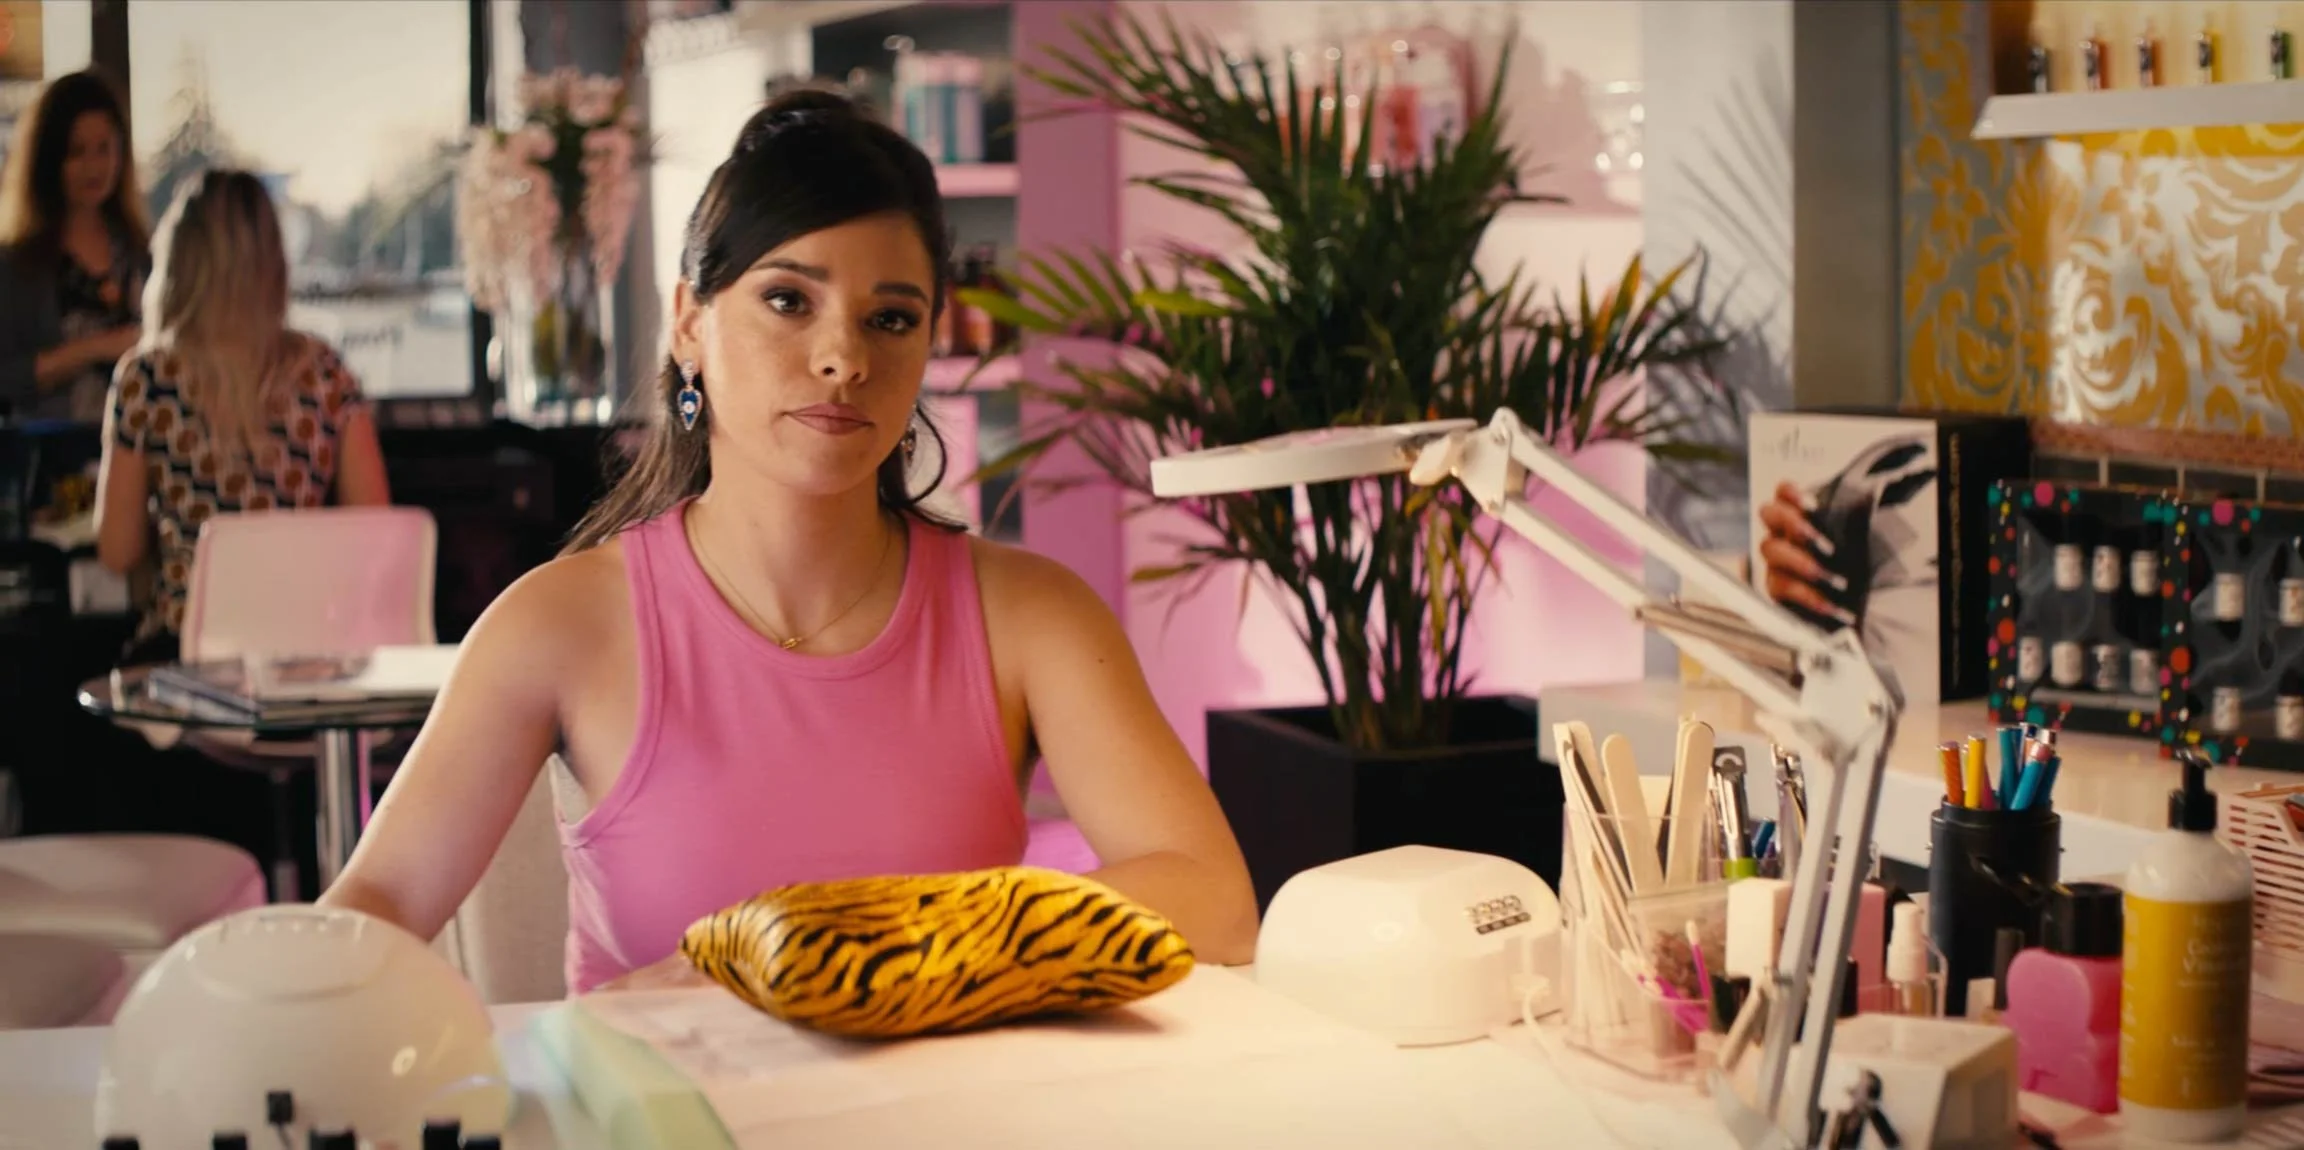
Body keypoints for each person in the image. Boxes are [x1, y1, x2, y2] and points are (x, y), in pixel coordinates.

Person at [320, 90, 1258, 993]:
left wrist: (821, 952)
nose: (844, 357)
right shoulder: (559, 621)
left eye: (891, 319)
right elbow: (380, 905)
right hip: (660, 1092)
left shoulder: (1031, 613)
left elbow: (1212, 899)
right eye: (788, 300)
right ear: (689, 323)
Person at [93, 169, 392, 663]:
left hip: (189, 654)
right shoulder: (324, 373)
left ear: (178, 260)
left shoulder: (146, 378)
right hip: (306, 654)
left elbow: (117, 550)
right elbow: (375, 532)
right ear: (273, 260)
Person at [0, 70, 150, 422]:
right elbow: (7, 378)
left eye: (104, 149)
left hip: (140, 445)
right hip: (54, 449)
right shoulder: (18, 264)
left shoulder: (140, 253)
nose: (93, 167)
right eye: (77, 152)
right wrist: (94, 349)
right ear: (49, 161)